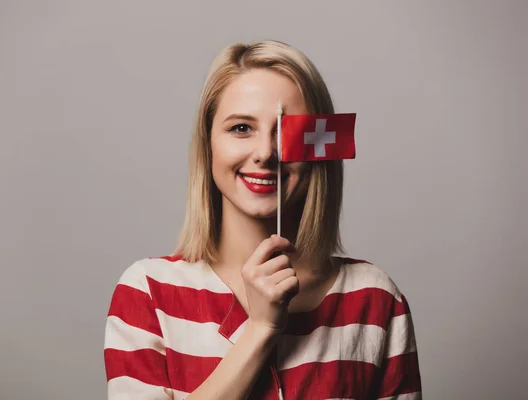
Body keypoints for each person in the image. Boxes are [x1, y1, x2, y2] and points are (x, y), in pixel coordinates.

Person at [103, 40, 422, 399]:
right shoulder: (148, 292)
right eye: (241, 128)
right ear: (208, 145)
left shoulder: (375, 298)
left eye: (287, 132)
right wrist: (260, 328)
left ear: (317, 149)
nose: (266, 153)